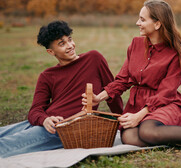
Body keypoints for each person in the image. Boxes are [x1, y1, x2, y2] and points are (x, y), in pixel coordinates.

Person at [82, 0, 181, 148]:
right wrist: (98, 97)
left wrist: (139, 116)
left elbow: (166, 93)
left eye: (142, 19)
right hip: (138, 104)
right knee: (130, 138)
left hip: (165, 104)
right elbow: (123, 80)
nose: (137, 23)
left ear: (157, 24)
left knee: (148, 132)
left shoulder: (174, 54)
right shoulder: (135, 44)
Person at [0, 21, 123, 158]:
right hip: (48, 123)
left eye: (69, 40)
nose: (70, 46)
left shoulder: (94, 59)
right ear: (51, 52)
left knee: (5, 144)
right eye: (62, 44)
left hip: (66, 129)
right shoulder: (47, 76)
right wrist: (44, 119)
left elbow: (112, 93)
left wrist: (122, 123)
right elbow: (35, 111)